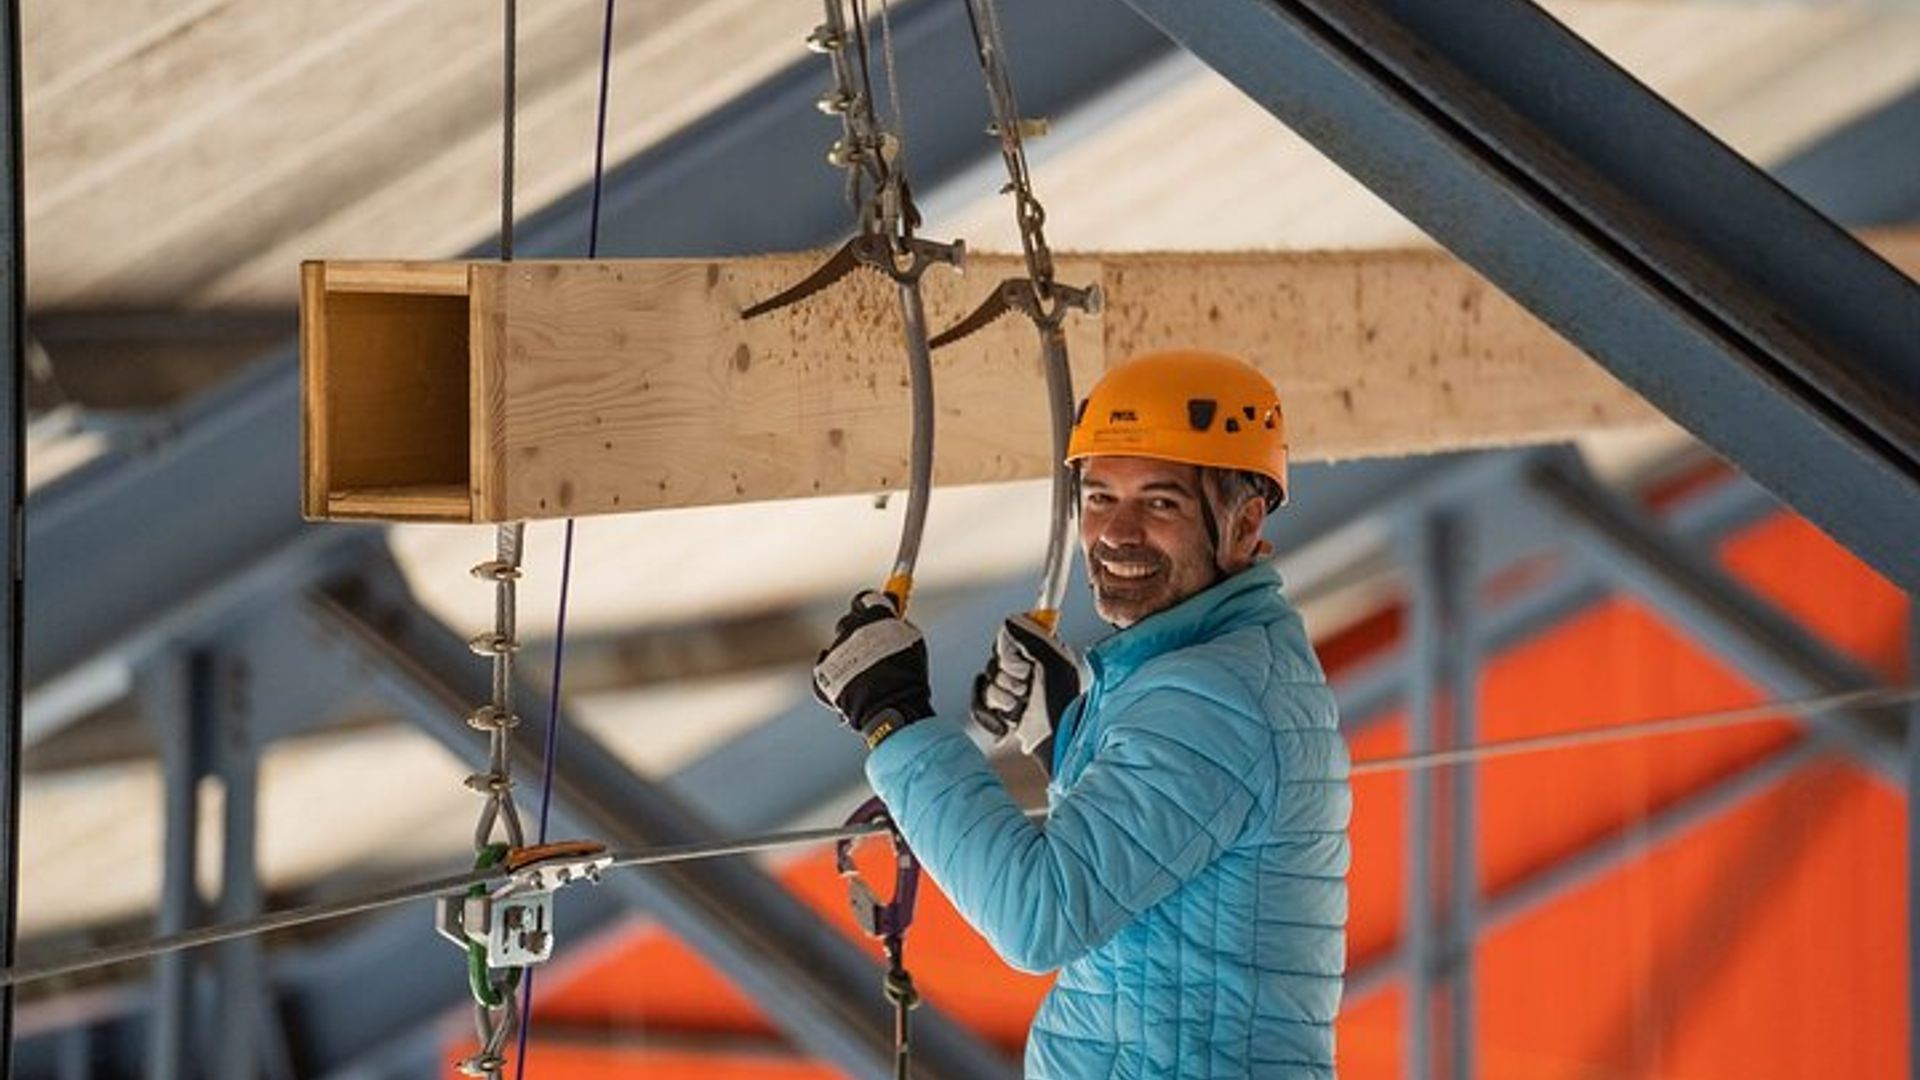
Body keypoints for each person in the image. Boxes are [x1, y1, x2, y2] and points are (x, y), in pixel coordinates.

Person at [813, 350, 1351, 1078]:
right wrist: (1065, 741)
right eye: (1099, 497)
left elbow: (1039, 917)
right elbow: (1157, 866)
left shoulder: (1215, 700)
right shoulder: (1210, 671)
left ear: (1246, 522)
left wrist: (894, 716)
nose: (1117, 533)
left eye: (1160, 503)